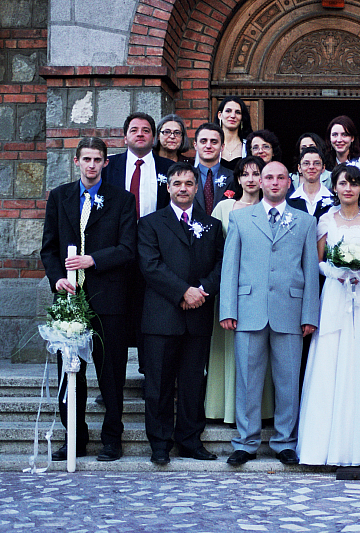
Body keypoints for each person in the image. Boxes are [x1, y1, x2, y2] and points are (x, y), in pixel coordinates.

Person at [40, 137, 137, 462]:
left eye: (98, 160)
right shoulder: (60, 197)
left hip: (109, 298)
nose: (92, 165)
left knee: (111, 373)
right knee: (70, 372)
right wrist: (58, 279)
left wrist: (92, 260)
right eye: (87, 159)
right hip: (70, 300)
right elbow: (49, 248)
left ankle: (112, 439)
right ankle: (74, 438)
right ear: (76, 161)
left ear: (106, 163)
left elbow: (127, 249)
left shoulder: (122, 199)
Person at [297, 164, 360, 466]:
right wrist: (337, 272)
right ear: (336, 187)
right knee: (331, 360)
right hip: (335, 295)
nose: (348, 189)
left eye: (354, 183)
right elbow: (318, 260)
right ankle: (324, 447)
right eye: (343, 183)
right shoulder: (326, 219)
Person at [221, 161, 320, 467]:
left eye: (280, 178)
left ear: (289, 182)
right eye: (268, 178)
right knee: (248, 379)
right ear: (259, 182)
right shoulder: (240, 218)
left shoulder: (304, 222)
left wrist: (309, 314)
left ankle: (285, 441)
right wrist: (228, 308)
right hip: (248, 308)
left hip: (290, 310)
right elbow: (230, 266)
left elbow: (310, 270)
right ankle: (245, 442)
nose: (274, 182)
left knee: (288, 380)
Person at [138, 162, 223, 465]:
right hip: (162, 316)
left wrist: (200, 291)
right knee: (158, 384)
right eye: (177, 183)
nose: (183, 188)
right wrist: (182, 292)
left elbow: (219, 265)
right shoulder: (150, 223)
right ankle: (160, 443)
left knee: (191, 384)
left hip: (198, 316)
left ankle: (190, 440)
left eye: (189, 183)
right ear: (168, 187)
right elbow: (150, 266)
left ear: (197, 188)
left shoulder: (211, 225)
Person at [102, 112, 175, 376]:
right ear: (125, 136)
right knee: (116, 321)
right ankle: (113, 383)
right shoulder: (108, 167)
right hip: (117, 253)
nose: (140, 134)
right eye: (134, 130)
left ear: (154, 137)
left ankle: (150, 377)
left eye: (146, 130)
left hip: (156, 254)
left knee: (151, 318)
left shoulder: (168, 169)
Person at [204, 156, 275, 424]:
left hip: (262, 291)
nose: (251, 179)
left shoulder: (272, 207)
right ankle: (223, 409)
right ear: (238, 178)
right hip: (229, 286)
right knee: (227, 349)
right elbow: (211, 247)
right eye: (246, 174)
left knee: (259, 353)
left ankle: (261, 410)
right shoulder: (224, 207)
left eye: (257, 174)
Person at [193, 122, 236, 216]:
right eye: (203, 141)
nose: (208, 146)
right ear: (195, 145)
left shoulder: (233, 178)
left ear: (222, 147)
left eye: (214, 142)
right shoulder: (187, 177)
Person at [288, 147, 332, 220]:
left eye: (316, 163)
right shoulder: (289, 201)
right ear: (299, 168)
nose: (311, 167)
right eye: (306, 163)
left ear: (323, 168)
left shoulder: (333, 200)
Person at [215, 96, 252, 171]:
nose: (233, 116)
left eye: (237, 112)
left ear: (242, 117)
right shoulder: (208, 145)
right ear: (220, 115)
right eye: (228, 111)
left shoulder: (248, 146)